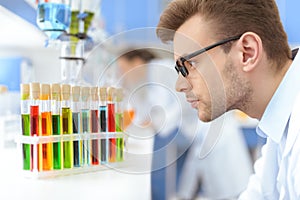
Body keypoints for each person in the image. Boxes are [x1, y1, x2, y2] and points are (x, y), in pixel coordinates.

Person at [156, 0, 300, 199]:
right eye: (180, 70)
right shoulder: (278, 125)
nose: (180, 85)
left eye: (191, 64)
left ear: (247, 53)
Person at [117, 48, 253, 199]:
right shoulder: (145, 79)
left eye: (123, 69)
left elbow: (177, 105)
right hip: (199, 130)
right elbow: (145, 110)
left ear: (136, 62)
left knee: (228, 182)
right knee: (212, 182)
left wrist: (156, 121)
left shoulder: (159, 68)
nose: (121, 74)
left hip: (212, 128)